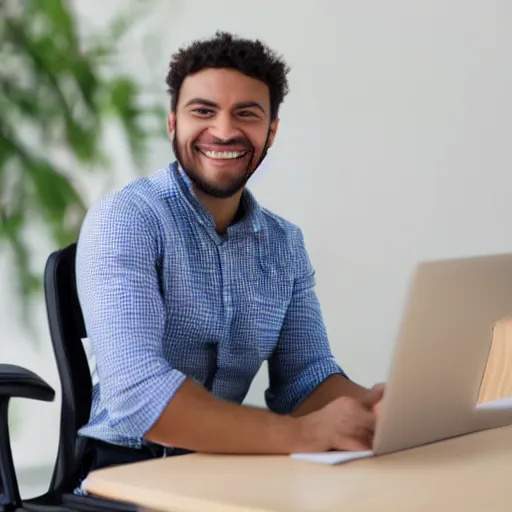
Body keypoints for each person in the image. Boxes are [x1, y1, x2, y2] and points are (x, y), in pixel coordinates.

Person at [75, 31, 384, 480]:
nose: (223, 130)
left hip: (227, 470)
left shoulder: (283, 244)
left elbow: (306, 378)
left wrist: (377, 410)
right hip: (126, 475)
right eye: (203, 111)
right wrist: (301, 435)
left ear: (271, 131)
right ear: (173, 124)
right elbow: (138, 394)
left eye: (247, 113)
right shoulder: (127, 219)